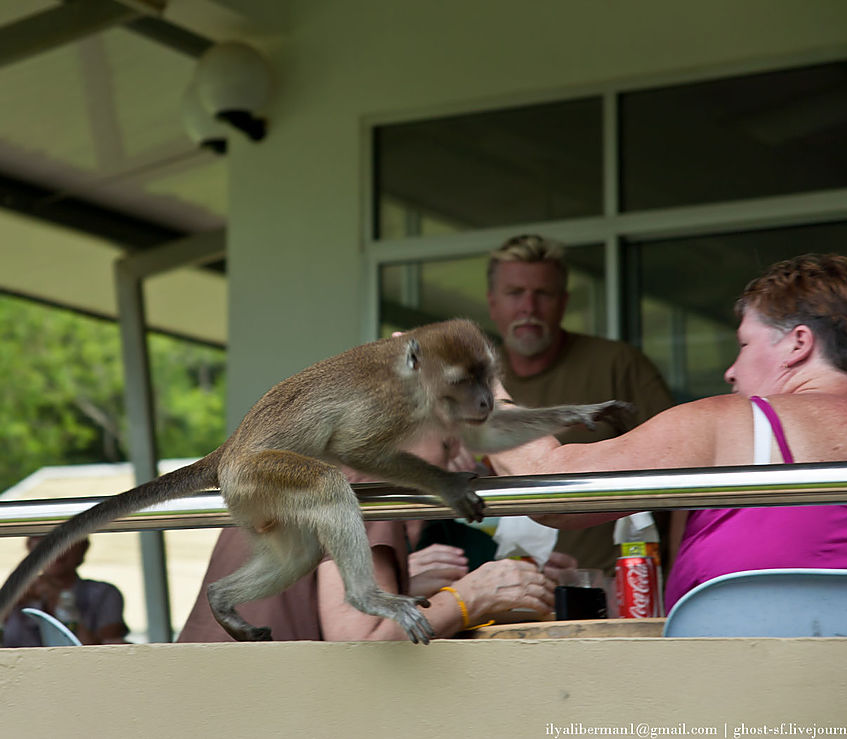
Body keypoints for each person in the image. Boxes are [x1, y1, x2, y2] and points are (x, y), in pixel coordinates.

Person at [488, 253, 847, 611]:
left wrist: (470, 384)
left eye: (743, 344)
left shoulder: (733, 422)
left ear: (798, 344)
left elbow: (552, 491)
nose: (731, 371)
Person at [178, 435, 575, 642]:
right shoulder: (366, 478)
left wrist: (410, 587)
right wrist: (473, 595)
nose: (468, 460)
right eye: (453, 433)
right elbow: (363, 641)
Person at [485, 234, 674, 573]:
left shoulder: (618, 364)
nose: (529, 307)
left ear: (563, 301)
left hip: (614, 590)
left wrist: (677, 575)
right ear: (491, 302)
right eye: (515, 293)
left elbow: (681, 473)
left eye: (542, 293)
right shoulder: (470, 380)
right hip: (505, 591)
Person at [2, 536, 129, 646]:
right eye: (42, 538)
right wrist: (8, 603)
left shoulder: (103, 594)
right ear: (30, 546)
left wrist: (61, 602)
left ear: (84, 547)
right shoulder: (17, 596)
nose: (56, 548)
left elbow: (106, 655)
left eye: (68, 539)